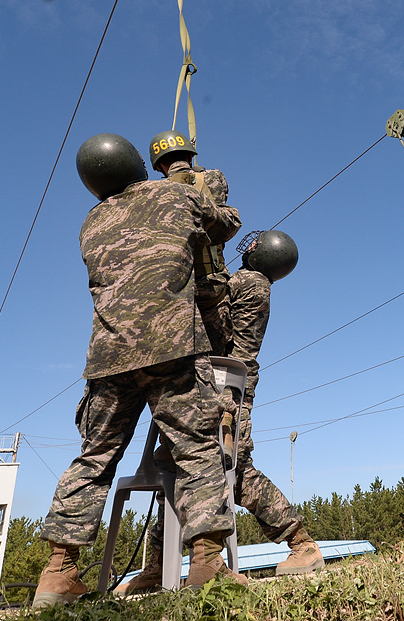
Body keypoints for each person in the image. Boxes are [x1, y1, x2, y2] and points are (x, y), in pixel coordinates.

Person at [33, 134, 238, 609]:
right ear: (136, 165)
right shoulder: (175, 194)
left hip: (108, 358)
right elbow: (222, 226)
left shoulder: (90, 222)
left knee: (94, 459)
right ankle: (207, 566)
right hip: (174, 346)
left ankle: (58, 574)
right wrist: (193, 182)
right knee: (196, 448)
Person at [120, 229, 321, 595]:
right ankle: (156, 568)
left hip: (225, 387)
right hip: (209, 382)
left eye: (258, 245)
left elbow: (229, 333)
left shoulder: (251, 282)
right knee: (177, 470)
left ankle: (301, 543)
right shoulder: (247, 281)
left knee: (235, 470)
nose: (250, 245)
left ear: (267, 256)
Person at [148, 131, 241, 353]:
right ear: (190, 157)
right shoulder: (214, 178)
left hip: (174, 290)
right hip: (212, 284)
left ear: (159, 165)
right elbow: (226, 219)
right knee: (217, 359)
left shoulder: (153, 193)